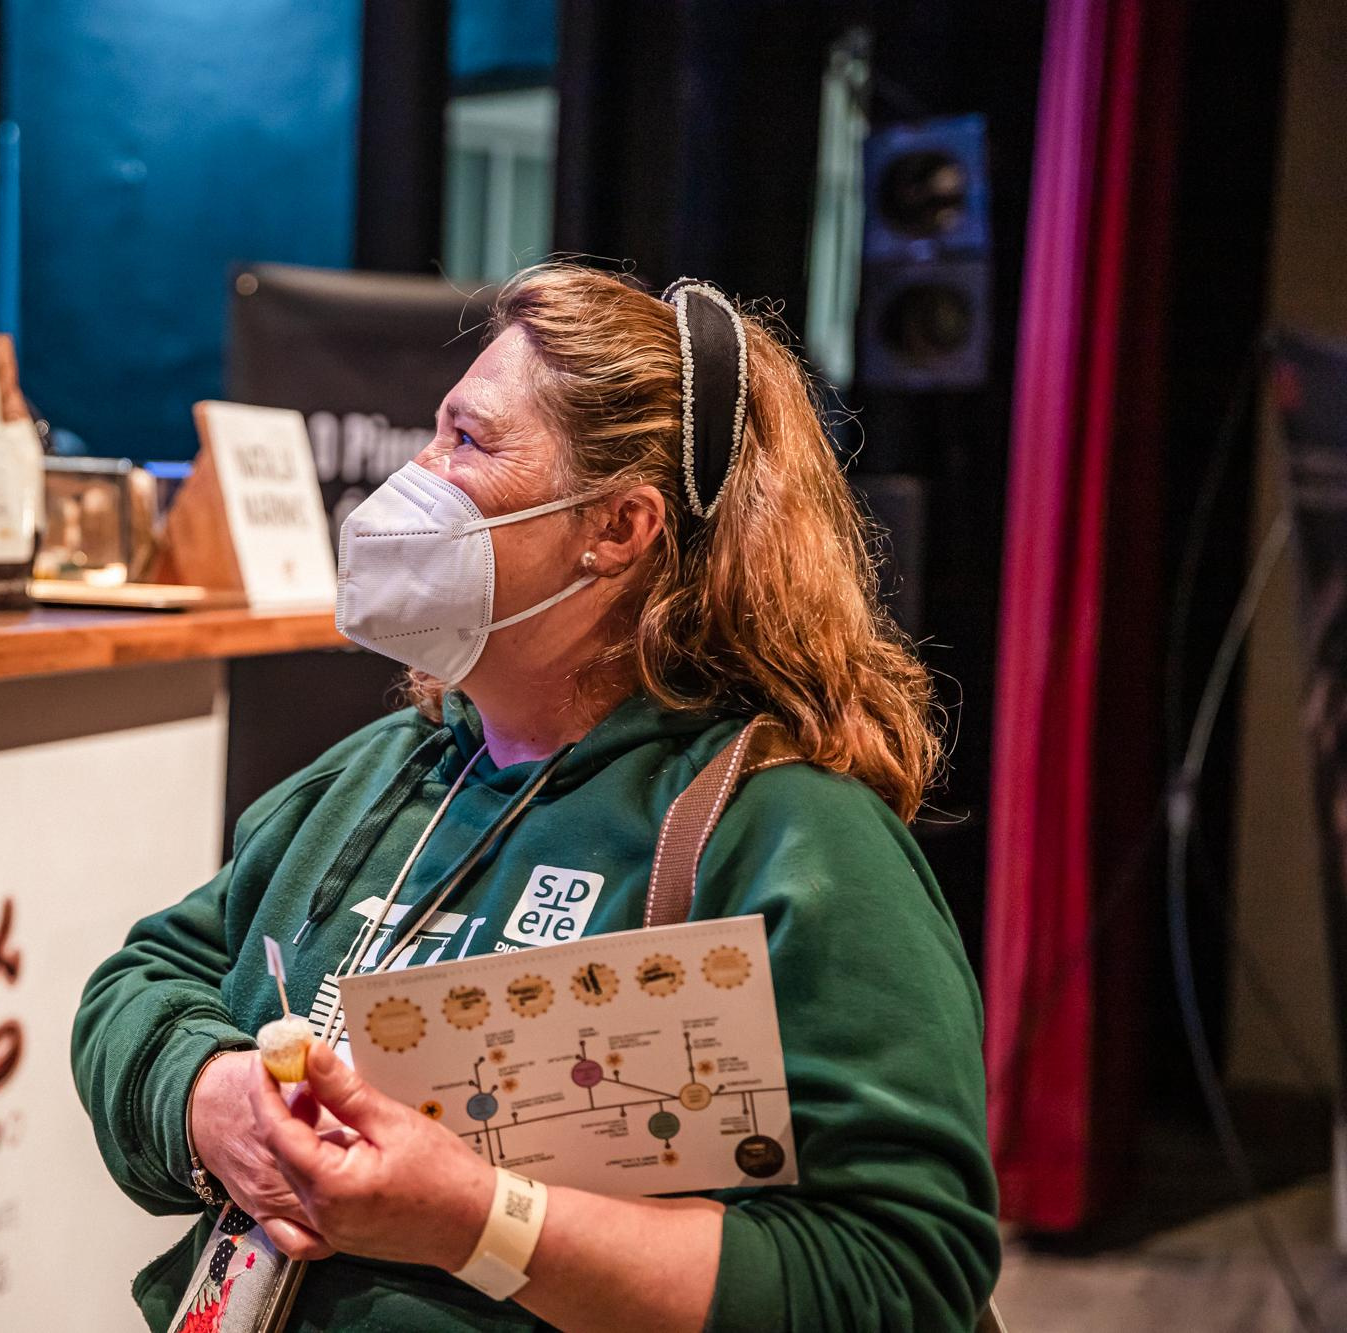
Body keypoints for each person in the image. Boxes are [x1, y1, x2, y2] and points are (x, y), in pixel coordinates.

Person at [72, 263, 998, 1332]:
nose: (413, 475)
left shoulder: (787, 835)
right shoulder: (391, 770)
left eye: (467, 442)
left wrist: (479, 1221)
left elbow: (900, 1273)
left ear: (618, 528)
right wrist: (212, 1097)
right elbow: (145, 978)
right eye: (436, 430)